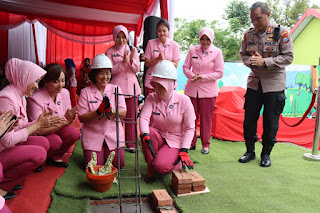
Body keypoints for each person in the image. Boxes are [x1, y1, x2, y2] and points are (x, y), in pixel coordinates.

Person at [238, 2, 293, 167]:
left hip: (274, 84)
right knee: (249, 120)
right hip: (254, 83)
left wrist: (265, 62)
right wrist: (251, 61)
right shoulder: (249, 35)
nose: (254, 22)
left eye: (258, 18)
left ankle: (266, 154)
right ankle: (250, 151)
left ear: (268, 15)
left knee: (270, 122)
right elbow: (243, 54)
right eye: (252, 19)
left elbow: (288, 57)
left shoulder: (281, 32)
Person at [0, 58, 63, 200]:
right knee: (39, 153)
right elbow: (6, 140)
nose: (36, 86)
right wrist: (37, 125)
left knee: (44, 143)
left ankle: (9, 179)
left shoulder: (20, 94)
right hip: (3, 149)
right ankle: (2, 186)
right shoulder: (6, 98)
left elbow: (19, 126)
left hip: (8, 146)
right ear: (24, 78)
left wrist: (39, 122)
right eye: (35, 81)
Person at [139, 60, 196, 183]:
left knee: (161, 167)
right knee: (148, 132)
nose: (157, 89)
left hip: (175, 140)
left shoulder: (184, 100)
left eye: (161, 85)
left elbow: (190, 128)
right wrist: (144, 134)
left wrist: (184, 150)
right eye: (155, 85)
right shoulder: (151, 98)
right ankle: (150, 170)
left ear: (170, 84)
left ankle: (173, 161)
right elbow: (144, 118)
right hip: (158, 136)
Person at [78, 54, 127, 169]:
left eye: (108, 73)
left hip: (113, 134)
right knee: (93, 167)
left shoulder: (116, 89)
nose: (105, 77)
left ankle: (105, 152)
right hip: (93, 135)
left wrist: (112, 110)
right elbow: (81, 117)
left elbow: (124, 112)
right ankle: (99, 153)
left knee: (118, 165)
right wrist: (98, 112)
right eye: (101, 73)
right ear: (94, 74)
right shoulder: (86, 92)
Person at [27, 63, 80, 168]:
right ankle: (38, 158)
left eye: (63, 80)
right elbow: (38, 130)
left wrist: (70, 117)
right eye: (56, 82)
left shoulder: (64, 93)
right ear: (46, 82)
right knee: (55, 141)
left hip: (56, 128)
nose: (60, 85)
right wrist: (65, 122)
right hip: (40, 133)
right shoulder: (35, 98)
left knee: (73, 133)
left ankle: (54, 157)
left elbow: (66, 117)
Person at [183, 27, 224, 154]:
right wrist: (192, 76)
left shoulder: (217, 52)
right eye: (202, 39)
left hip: (208, 92)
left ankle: (205, 144)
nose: (205, 42)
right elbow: (185, 67)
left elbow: (220, 73)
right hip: (192, 90)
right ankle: (191, 142)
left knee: (206, 119)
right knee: (191, 118)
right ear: (199, 39)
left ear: (211, 39)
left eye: (208, 39)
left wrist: (203, 77)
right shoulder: (192, 50)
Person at [106, 25, 141, 153]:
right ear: (114, 37)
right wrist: (121, 63)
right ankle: (117, 142)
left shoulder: (133, 50)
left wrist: (131, 61)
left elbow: (137, 69)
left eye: (123, 37)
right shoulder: (109, 51)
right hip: (117, 88)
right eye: (118, 37)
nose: (121, 40)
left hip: (132, 88)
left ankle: (131, 144)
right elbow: (109, 71)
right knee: (117, 117)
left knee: (131, 117)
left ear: (127, 37)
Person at [144, 18, 180, 97]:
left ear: (168, 31)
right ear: (156, 32)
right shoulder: (151, 43)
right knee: (151, 105)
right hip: (152, 80)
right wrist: (158, 59)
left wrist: (165, 60)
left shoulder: (174, 45)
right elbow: (147, 63)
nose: (162, 33)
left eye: (164, 31)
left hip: (168, 80)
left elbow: (176, 65)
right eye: (159, 31)